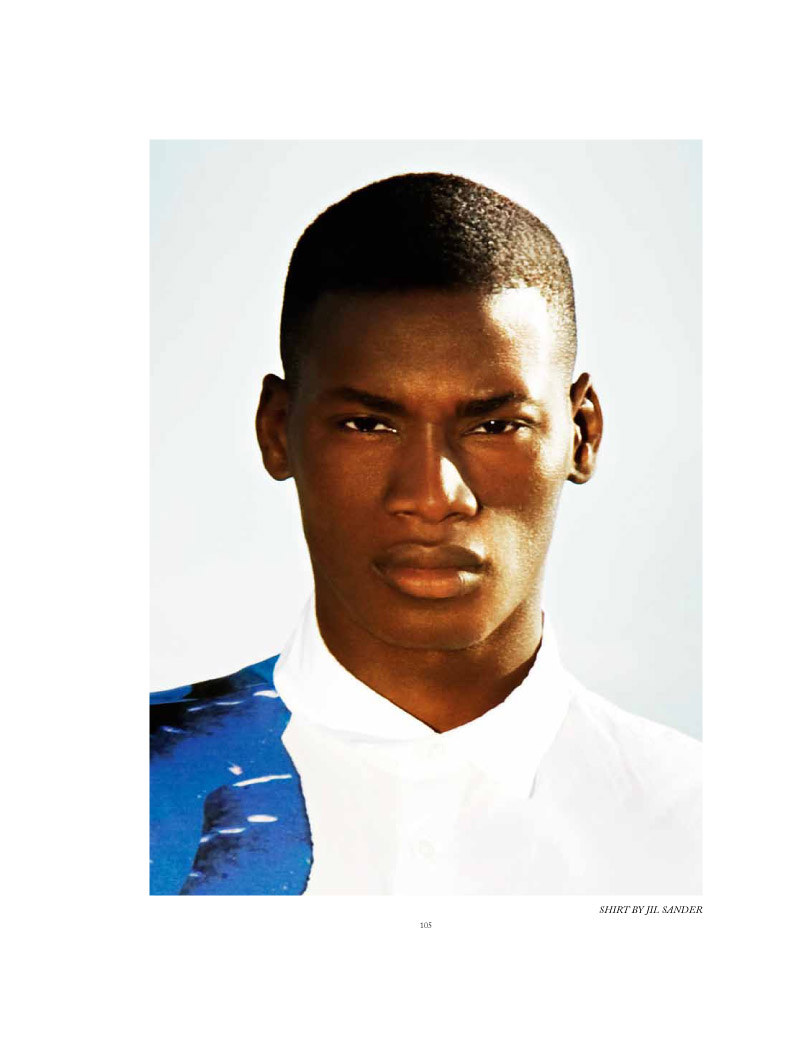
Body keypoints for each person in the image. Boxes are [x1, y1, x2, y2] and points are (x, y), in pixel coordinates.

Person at [150, 172, 701, 896]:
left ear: (581, 433)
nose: (434, 497)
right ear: (278, 430)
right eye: (368, 424)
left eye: (496, 425)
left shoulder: (713, 826)